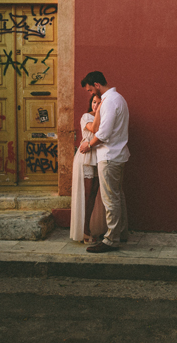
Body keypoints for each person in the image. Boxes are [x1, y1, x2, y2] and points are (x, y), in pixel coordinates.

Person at [79, 71, 131, 253]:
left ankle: (111, 240)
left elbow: (103, 133)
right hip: (117, 155)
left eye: (90, 90)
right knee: (116, 196)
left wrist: (88, 145)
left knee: (110, 199)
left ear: (97, 85)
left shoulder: (109, 101)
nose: (91, 94)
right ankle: (119, 233)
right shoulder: (119, 98)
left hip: (109, 156)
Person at [69, 94, 107, 243]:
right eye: (93, 102)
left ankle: (91, 228)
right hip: (86, 157)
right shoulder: (86, 116)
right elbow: (95, 129)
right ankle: (84, 231)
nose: (95, 105)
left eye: (98, 103)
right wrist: (98, 112)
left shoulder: (104, 117)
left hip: (98, 156)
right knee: (86, 193)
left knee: (94, 194)